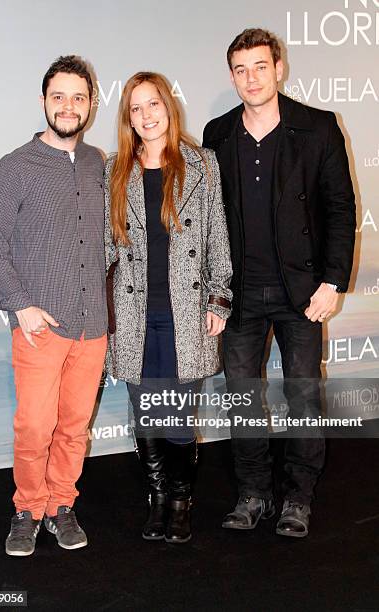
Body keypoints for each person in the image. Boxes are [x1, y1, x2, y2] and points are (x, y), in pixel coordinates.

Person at [203, 29, 356, 537]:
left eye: (260, 67)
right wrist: (214, 292)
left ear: (278, 69)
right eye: (241, 69)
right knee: (243, 397)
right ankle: (252, 494)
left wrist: (333, 281)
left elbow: (339, 208)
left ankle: (298, 497)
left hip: (303, 293)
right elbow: (207, 220)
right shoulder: (217, 134)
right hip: (240, 295)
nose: (251, 78)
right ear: (232, 77)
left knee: (304, 396)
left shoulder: (317, 127)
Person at [0, 55, 107, 556]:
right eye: (59, 96)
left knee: (75, 425)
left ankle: (61, 505)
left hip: (92, 322)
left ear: (91, 105)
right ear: (44, 102)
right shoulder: (16, 166)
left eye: (78, 97)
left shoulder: (100, 163)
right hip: (39, 325)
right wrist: (21, 306)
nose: (68, 106)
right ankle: (27, 509)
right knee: (35, 425)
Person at [104, 72, 232, 543]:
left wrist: (219, 297)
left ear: (168, 106)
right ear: (128, 118)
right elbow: (104, 248)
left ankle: (180, 503)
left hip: (187, 313)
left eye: (153, 104)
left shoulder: (203, 165)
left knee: (178, 414)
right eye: (135, 109)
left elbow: (217, 237)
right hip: (135, 315)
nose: (146, 115)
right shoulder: (115, 170)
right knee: (147, 412)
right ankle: (157, 499)